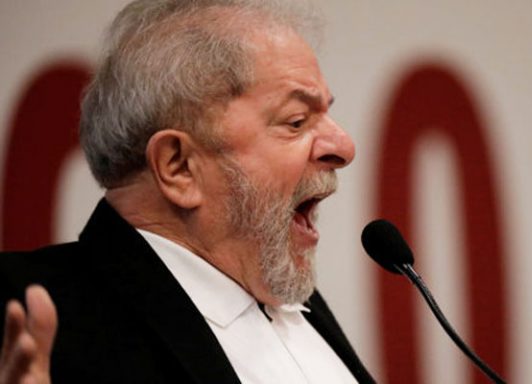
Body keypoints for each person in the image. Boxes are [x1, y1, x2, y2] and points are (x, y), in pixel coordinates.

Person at [0, 0, 374, 382]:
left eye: (325, 114)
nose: (344, 146)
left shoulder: (294, 302)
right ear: (178, 166)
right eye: (296, 121)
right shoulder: (24, 312)